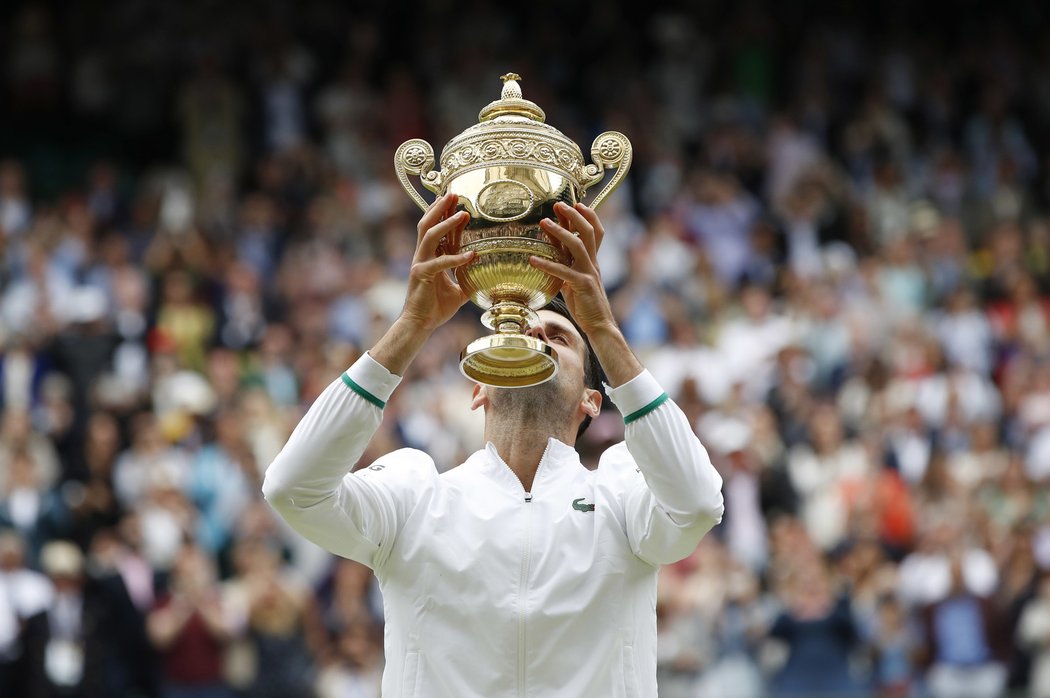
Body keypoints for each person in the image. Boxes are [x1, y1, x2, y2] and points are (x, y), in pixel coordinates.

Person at [263, 194, 725, 697]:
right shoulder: (415, 493)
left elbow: (698, 504)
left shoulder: (622, 494)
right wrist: (410, 328)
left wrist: (603, 331)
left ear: (593, 401)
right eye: (524, 334)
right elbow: (293, 489)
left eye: (560, 338)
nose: (539, 339)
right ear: (478, 387)